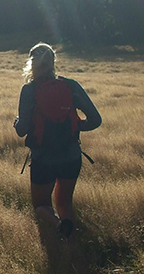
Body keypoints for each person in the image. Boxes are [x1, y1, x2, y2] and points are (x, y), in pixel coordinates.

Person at [13, 42, 101, 240]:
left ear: (32, 64)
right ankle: (70, 244)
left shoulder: (29, 90)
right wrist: (73, 127)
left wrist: (17, 122)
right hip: (71, 154)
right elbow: (96, 120)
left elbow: (22, 130)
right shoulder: (71, 86)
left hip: (44, 158)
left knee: (41, 206)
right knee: (65, 203)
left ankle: (59, 225)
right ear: (53, 62)